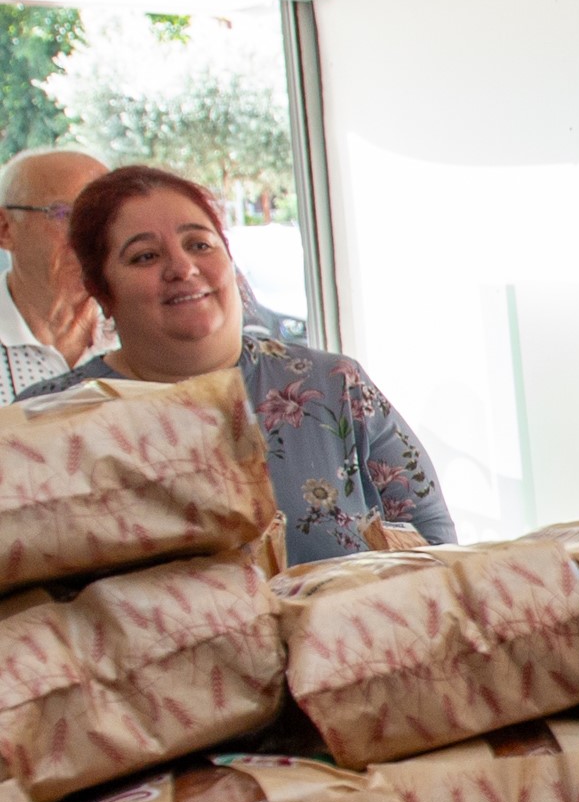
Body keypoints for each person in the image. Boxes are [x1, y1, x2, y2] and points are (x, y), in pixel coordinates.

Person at [19, 164, 455, 563]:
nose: (182, 267)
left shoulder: (335, 388)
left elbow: (436, 551)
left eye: (199, 244)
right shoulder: (45, 421)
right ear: (101, 291)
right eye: (145, 256)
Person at [0, 147, 111, 395]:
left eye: (106, 218)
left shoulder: (140, 329)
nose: (92, 235)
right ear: (5, 229)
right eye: (66, 214)